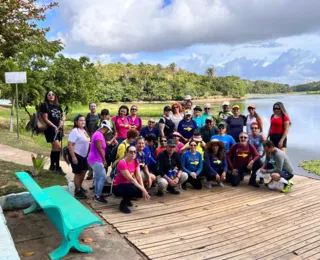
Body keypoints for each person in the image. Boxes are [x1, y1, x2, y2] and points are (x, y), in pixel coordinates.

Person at [112, 146, 150, 214]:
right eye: (131, 152)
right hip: (117, 187)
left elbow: (138, 176)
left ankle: (127, 199)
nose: (133, 154)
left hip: (128, 185)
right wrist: (143, 190)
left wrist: (143, 189)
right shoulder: (122, 163)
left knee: (139, 191)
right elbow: (131, 179)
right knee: (134, 188)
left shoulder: (136, 161)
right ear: (126, 153)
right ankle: (123, 205)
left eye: (135, 152)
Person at [40, 90, 66, 175]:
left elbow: (63, 115)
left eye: (53, 94)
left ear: (55, 96)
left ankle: (52, 166)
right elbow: (45, 118)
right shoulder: (45, 105)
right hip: (50, 130)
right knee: (58, 148)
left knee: (54, 149)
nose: (51, 96)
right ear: (46, 97)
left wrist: (62, 120)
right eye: (49, 95)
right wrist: (54, 126)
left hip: (58, 129)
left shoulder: (57, 106)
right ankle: (58, 167)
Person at [87, 120, 113, 203]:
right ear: (105, 128)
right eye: (107, 130)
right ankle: (97, 196)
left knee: (98, 177)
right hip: (95, 159)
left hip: (95, 159)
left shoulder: (97, 133)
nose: (107, 131)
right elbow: (99, 148)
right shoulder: (98, 135)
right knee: (103, 177)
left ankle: (97, 194)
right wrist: (104, 160)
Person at [68, 114, 90, 199]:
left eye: (84, 120)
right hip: (76, 154)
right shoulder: (74, 131)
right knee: (78, 173)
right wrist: (73, 157)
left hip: (84, 155)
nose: (83, 122)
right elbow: (70, 145)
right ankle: (77, 190)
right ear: (76, 122)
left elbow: (87, 141)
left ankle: (79, 187)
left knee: (83, 171)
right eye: (80, 120)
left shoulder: (83, 130)